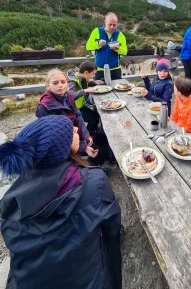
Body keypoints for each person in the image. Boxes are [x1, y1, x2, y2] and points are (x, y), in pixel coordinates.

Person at [0, 115, 122, 289]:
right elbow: (112, 228)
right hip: (89, 278)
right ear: (60, 148)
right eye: (69, 130)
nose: (74, 129)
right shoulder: (95, 181)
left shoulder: (12, 197)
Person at [36, 69, 114, 165]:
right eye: (55, 83)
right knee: (101, 152)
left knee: (105, 138)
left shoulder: (68, 96)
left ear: (67, 84)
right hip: (66, 143)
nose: (60, 85)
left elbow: (78, 117)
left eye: (63, 82)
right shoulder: (45, 107)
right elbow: (57, 137)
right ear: (48, 86)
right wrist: (84, 146)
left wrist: (87, 136)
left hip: (77, 133)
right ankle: (91, 167)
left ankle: (94, 158)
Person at [86, 12, 127, 81]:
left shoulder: (120, 35)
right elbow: (88, 46)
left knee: (118, 90)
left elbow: (125, 51)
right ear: (105, 22)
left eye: (114, 25)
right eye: (110, 24)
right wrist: (98, 44)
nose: (112, 27)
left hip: (115, 70)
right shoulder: (96, 31)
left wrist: (118, 49)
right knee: (100, 90)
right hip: (99, 70)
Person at [66, 60, 103, 132]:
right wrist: (85, 90)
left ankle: (91, 132)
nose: (94, 76)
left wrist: (94, 82)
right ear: (86, 72)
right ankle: (89, 136)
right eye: (93, 74)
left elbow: (84, 82)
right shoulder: (72, 82)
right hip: (72, 110)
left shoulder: (80, 76)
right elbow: (70, 97)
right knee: (94, 118)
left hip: (80, 106)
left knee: (96, 115)